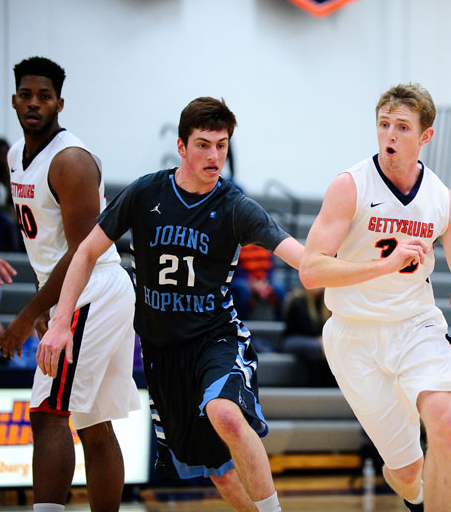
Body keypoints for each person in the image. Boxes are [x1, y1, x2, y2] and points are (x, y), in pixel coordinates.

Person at [41, 97, 303, 512]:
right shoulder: (146, 192)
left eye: (222, 145)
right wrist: (59, 324)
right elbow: (87, 252)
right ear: (181, 147)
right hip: (164, 352)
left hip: (215, 338)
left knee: (227, 414)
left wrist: (368, 269)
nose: (214, 155)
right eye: (203, 144)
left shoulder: (235, 206)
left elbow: (304, 260)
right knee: (216, 468)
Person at [299, 82, 451, 512]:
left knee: (448, 422)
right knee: (406, 471)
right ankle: (414, 494)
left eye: (401, 127)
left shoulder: (444, 201)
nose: (390, 136)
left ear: (425, 135)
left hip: (416, 326)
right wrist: (383, 265)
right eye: (383, 125)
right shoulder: (350, 186)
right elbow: (310, 270)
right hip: (354, 336)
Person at [0, 56, 139, 511]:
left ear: (60, 103)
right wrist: (44, 306)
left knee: (48, 412)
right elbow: (48, 250)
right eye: (26, 95)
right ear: (15, 100)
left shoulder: (71, 161)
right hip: (77, 288)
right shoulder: (13, 157)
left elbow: (82, 252)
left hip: (94, 285)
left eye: (44, 96)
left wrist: (26, 317)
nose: (34, 103)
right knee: (93, 423)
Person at [281, 285, 334, 386]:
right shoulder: (297, 299)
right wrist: (321, 340)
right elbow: (302, 329)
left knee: (327, 346)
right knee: (317, 347)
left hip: (320, 342)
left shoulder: (328, 301)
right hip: (294, 340)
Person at [0, 137, 19, 251]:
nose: (4, 157)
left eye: (7, 153)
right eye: (1, 153)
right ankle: (9, 254)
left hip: (7, 212)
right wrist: (8, 209)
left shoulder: (10, 175)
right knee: (5, 220)